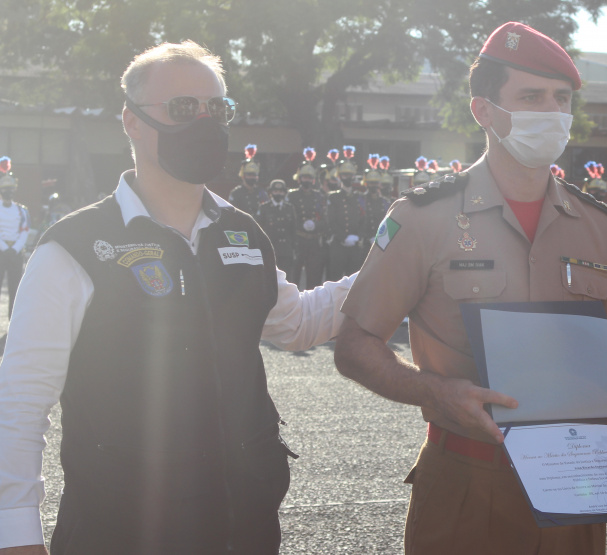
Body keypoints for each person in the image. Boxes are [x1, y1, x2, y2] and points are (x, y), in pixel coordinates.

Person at [0, 41, 354, 555]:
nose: (204, 123)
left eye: (217, 109)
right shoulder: (74, 248)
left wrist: (397, 256)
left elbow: (296, 322)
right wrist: (15, 534)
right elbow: (20, 401)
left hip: (243, 529)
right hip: (118, 532)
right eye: (184, 108)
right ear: (133, 122)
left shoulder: (242, 234)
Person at [333, 21, 607, 555]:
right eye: (531, 96)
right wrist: (436, 391)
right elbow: (354, 346)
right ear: (483, 110)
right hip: (468, 480)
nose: (552, 112)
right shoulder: (424, 218)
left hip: (575, 489)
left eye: (561, 99)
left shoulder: (600, 226)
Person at [286, 148, 327, 290]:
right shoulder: (292, 196)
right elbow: (288, 218)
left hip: (314, 241)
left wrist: (316, 225)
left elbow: (325, 219)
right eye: (304, 177)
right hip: (299, 239)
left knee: (314, 276)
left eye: (310, 178)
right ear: (299, 178)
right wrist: (300, 225)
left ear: (314, 179)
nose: (307, 180)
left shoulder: (319, 196)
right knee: (294, 276)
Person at [325, 150, 365, 281]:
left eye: (350, 175)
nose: (347, 177)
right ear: (340, 177)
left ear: (354, 177)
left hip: (354, 245)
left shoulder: (359, 197)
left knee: (353, 282)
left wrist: (357, 236)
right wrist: (343, 237)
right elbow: (331, 221)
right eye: (344, 175)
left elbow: (363, 218)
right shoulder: (333, 197)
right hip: (338, 245)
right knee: (335, 280)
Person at [0, 158, 29, 317]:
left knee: (15, 288)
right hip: (0, 253)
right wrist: (5, 248)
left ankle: (13, 319)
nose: (8, 192)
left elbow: (24, 231)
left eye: (11, 189)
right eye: (5, 189)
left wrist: (15, 249)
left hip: (16, 254)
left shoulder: (22, 210)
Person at [257, 179, 297, 276]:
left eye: (280, 191)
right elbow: (259, 228)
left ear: (284, 193)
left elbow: (293, 229)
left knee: (286, 277)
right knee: (270, 277)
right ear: (270, 193)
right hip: (270, 249)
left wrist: (293, 247)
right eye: (275, 191)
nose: (278, 193)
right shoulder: (264, 208)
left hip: (286, 250)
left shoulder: (289, 208)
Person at [361, 154, 392, 260]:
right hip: (364, 244)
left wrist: (382, 239)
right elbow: (358, 222)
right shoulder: (360, 200)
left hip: (381, 245)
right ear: (366, 184)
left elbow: (390, 222)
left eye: (375, 183)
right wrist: (366, 237)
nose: (373, 185)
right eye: (371, 183)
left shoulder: (385, 202)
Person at [228, 144, 265, 215]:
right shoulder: (236, 193)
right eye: (250, 175)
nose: (252, 177)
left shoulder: (262, 192)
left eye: (254, 175)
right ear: (243, 176)